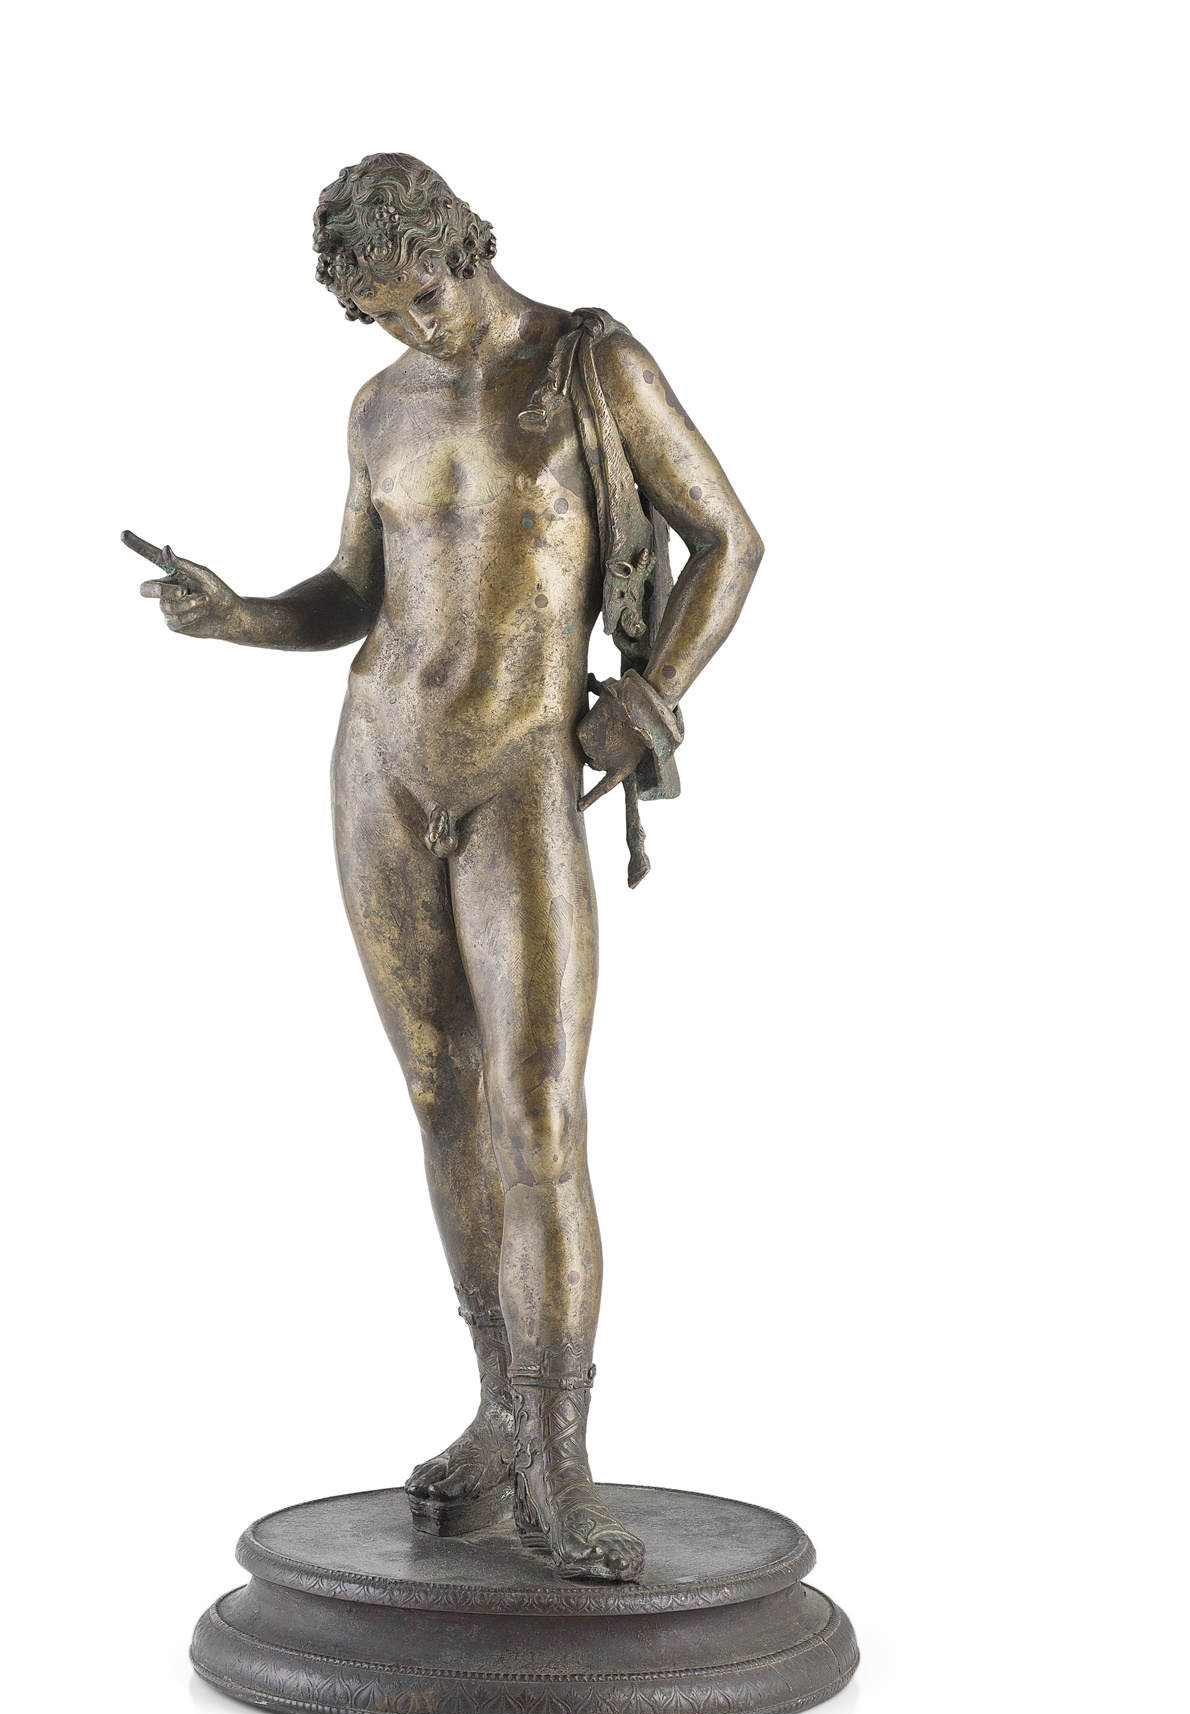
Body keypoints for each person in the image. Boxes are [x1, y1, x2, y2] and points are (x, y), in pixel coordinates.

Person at [134, 154, 762, 1580]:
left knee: (538, 1117)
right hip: (379, 765)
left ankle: (560, 1458)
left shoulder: (590, 365)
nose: (412, 327)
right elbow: (355, 593)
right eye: (380, 314)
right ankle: (497, 1410)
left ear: (464, 244)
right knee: (441, 1100)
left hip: (519, 772)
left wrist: (652, 693)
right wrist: (238, 616)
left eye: (422, 295)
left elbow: (730, 540)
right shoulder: (379, 407)